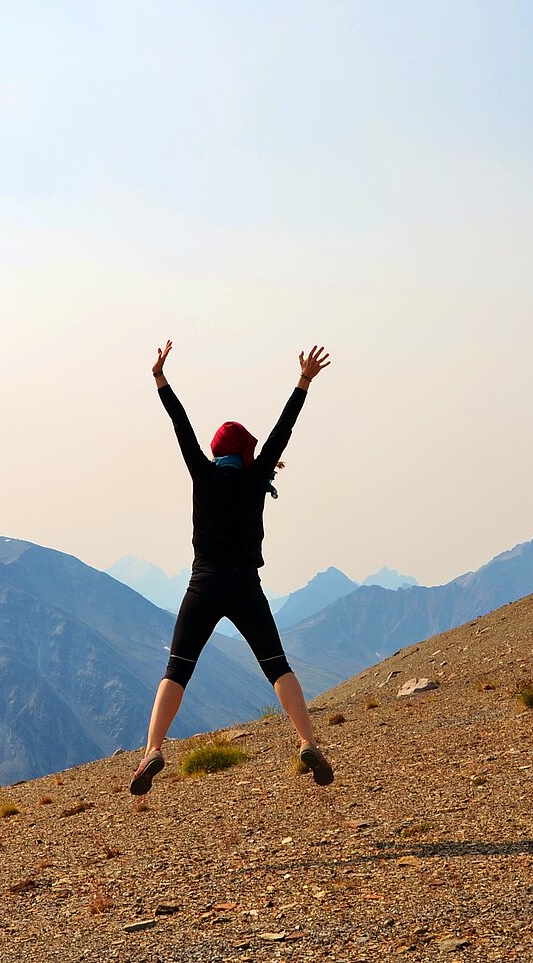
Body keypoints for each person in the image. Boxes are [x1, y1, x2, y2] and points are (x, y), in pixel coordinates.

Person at [130, 340, 334, 795]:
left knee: (176, 670)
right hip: (245, 586)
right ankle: (306, 739)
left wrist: (160, 379)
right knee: (277, 666)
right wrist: (303, 381)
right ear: (245, 451)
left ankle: (153, 751)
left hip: (203, 585)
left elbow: (180, 425)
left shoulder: (201, 473)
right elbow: (284, 429)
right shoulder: (258, 477)